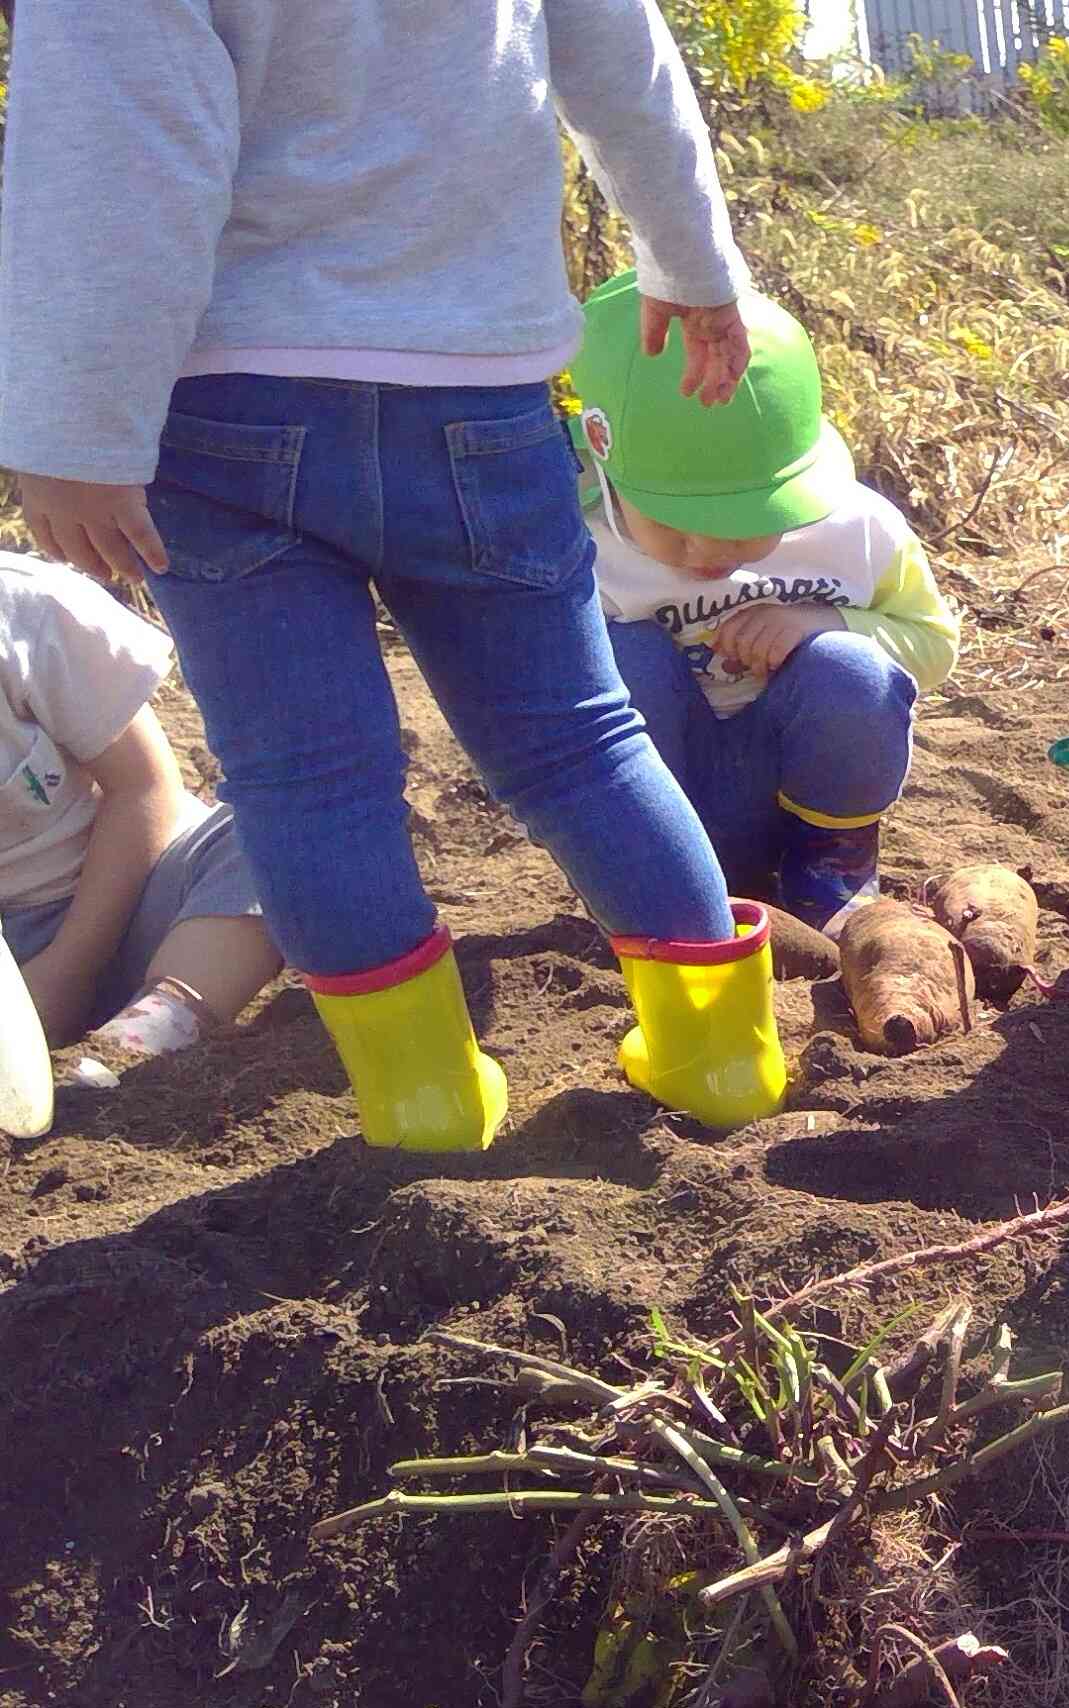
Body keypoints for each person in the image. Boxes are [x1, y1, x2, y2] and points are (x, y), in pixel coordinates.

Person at [0, 0, 786, 1152]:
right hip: (479, 381)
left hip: (227, 401)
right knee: (579, 742)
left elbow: (121, 145)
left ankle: (425, 1103)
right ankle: (719, 1057)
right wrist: (693, 263)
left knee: (307, 782)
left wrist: (79, 425)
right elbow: (623, 57)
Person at [571, 273, 959, 934]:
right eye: (676, 524)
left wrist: (823, 622)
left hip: (795, 799)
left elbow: (935, 645)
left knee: (851, 669)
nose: (705, 551)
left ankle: (830, 872)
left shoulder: (854, 531)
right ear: (607, 472)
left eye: (742, 524)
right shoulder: (579, 544)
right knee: (615, 657)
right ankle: (644, 880)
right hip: (650, 804)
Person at [1, 551, 285, 1092]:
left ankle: (146, 1035)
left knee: (277, 833)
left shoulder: (26, 612)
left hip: (132, 891)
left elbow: (144, 787)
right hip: (10, 960)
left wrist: (68, 968)